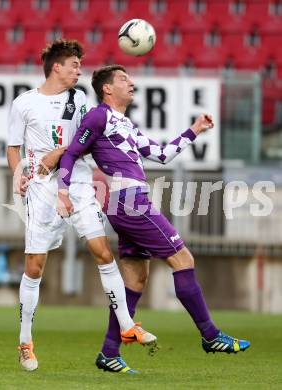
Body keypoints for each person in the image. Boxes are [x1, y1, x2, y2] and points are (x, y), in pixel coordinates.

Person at [57, 64, 251, 373]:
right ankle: (211, 335)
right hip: (130, 202)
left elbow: (162, 154)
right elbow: (70, 154)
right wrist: (63, 191)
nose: (131, 83)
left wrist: (195, 129)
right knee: (183, 259)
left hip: (128, 202)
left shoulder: (126, 124)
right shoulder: (98, 116)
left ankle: (109, 352)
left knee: (135, 279)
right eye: (123, 79)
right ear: (107, 88)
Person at [7, 43, 156, 372]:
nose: (79, 71)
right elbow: (13, 147)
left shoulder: (81, 100)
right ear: (56, 68)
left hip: (77, 182)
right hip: (42, 190)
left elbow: (79, 145)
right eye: (74, 65)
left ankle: (127, 325)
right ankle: (25, 341)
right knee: (34, 266)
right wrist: (18, 175)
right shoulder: (24, 104)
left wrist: (60, 155)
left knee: (102, 251)